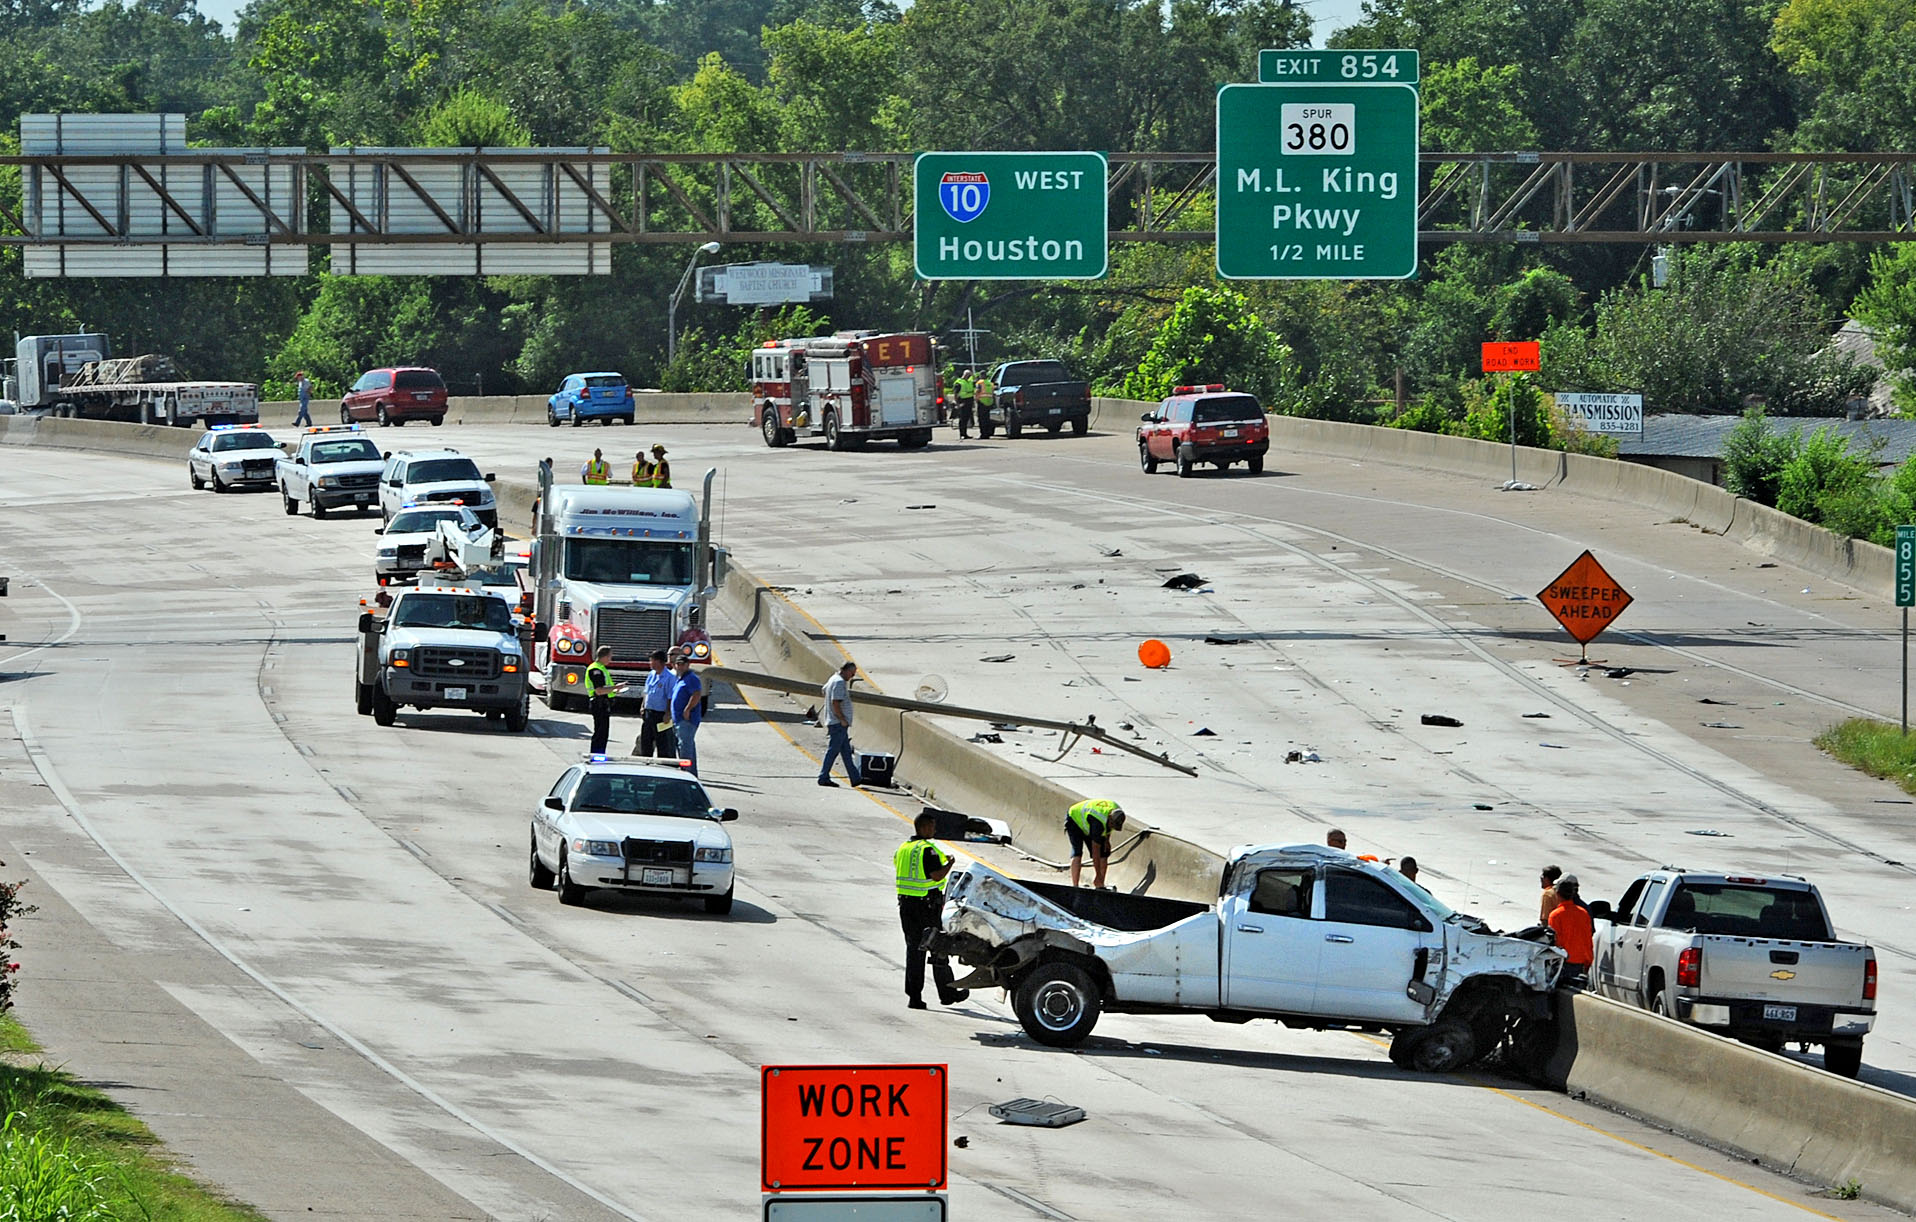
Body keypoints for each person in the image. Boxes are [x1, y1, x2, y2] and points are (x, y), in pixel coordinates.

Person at [895, 811, 968, 1010]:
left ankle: (914, 997)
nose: (934, 830)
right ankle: (947, 993)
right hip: (926, 907)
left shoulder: (904, 848)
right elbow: (936, 876)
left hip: (906, 906)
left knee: (913, 951)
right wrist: (950, 865)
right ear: (925, 827)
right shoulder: (928, 850)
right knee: (939, 948)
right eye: (933, 827)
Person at [817, 660, 862, 787]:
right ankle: (823, 776)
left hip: (836, 722)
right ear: (846, 670)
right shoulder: (839, 682)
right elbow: (835, 702)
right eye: (852, 674)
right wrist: (841, 718)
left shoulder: (833, 679)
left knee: (846, 751)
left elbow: (824, 690)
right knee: (833, 751)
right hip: (837, 723)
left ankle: (855, 778)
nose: (852, 677)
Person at [1065, 798, 1126, 889]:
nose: (1113, 827)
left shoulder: (1117, 812)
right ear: (1109, 819)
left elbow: (1109, 828)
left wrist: (1107, 841)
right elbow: (1095, 851)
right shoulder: (1098, 822)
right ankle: (1075, 886)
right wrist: (1098, 874)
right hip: (1074, 819)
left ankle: (1100, 885)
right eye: (1112, 825)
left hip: (1089, 820)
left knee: (1104, 854)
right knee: (1077, 853)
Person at [1547, 874, 1594, 987]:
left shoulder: (1556, 915)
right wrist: (1588, 961)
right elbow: (1588, 939)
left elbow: (1555, 942)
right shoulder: (1583, 913)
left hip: (1562, 964)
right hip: (1580, 963)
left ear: (1557, 894)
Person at [636, 649, 677, 758]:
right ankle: (646, 764)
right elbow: (646, 692)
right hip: (649, 713)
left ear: (659, 662)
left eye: (652, 660)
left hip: (661, 715)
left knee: (663, 743)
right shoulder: (651, 674)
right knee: (646, 741)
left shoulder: (670, 677)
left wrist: (667, 713)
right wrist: (643, 706)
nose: (650, 663)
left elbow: (670, 697)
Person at [670, 650, 705, 774]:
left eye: (682, 664)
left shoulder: (691, 678)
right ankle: (690, 773)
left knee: (685, 749)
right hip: (678, 720)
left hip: (687, 720)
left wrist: (688, 709)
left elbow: (696, 694)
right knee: (686, 747)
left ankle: (687, 774)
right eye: (678, 664)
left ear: (688, 665)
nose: (680, 666)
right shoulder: (680, 678)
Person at [585, 645, 617, 755]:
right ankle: (596, 757)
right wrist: (616, 687)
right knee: (600, 733)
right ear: (604, 656)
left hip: (603, 704)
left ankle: (599, 755)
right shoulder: (596, 669)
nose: (610, 659)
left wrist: (613, 691)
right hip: (599, 704)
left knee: (603, 733)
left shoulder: (601, 668)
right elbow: (599, 690)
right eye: (609, 657)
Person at [951, 368, 974, 439]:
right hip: (962, 402)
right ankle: (962, 434)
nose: (970, 377)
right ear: (966, 375)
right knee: (962, 419)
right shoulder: (959, 383)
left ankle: (965, 433)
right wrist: (957, 404)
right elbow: (955, 394)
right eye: (969, 375)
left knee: (966, 418)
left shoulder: (969, 381)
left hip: (969, 402)